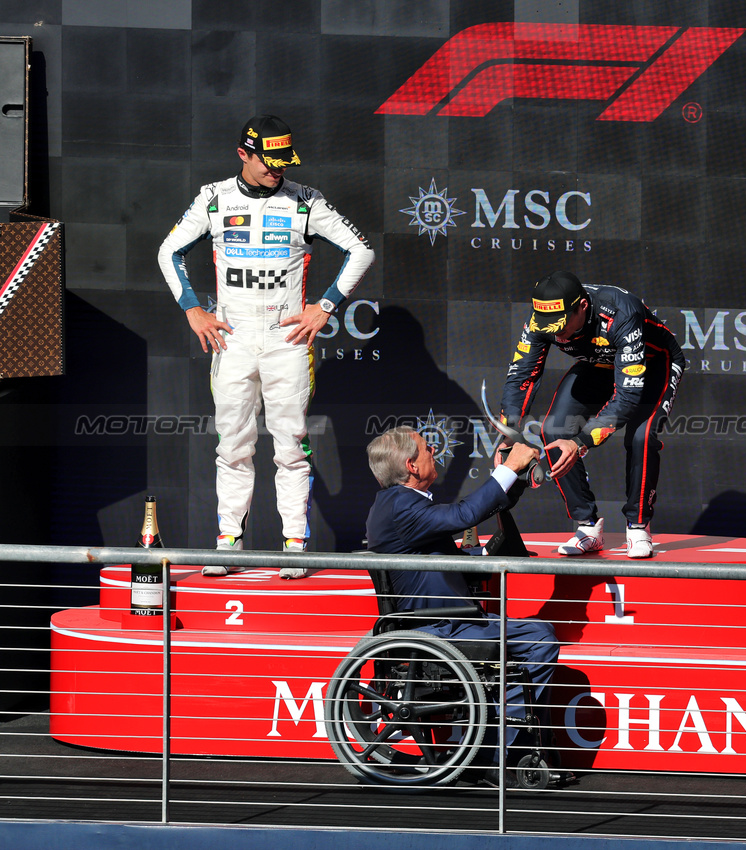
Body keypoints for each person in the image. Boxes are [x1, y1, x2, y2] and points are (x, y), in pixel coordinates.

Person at [158, 115, 374, 578]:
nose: (277, 170)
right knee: (232, 444)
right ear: (243, 154)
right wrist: (192, 308)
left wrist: (327, 306)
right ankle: (228, 541)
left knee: (290, 446)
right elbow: (168, 250)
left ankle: (294, 542)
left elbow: (362, 250)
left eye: (283, 162)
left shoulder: (305, 201)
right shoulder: (214, 199)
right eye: (268, 162)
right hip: (232, 340)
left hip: (286, 340)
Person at [364, 425, 564, 784]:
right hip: (437, 628)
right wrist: (506, 469)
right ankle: (497, 753)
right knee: (539, 637)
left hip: (447, 621)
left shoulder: (399, 504)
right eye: (427, 449)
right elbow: (462, 516)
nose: (433, 454)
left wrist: (513, 473)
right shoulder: (399, 505)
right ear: (411, 464)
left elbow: (461, 522)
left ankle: (503, 749)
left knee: (535, 633)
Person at [500, 271, 685, 559]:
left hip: (652, 363)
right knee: (554, 429)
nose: (554, 333)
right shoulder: (541, 318)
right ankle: (587, 527)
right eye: (548, 327)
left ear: (582, 307)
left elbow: (627, 397)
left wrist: (581, 441)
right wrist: (508, 433)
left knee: (641, 436)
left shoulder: (622, 311)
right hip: (598, 363)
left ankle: (638, 526)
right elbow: (523, 374)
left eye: (560, 326)